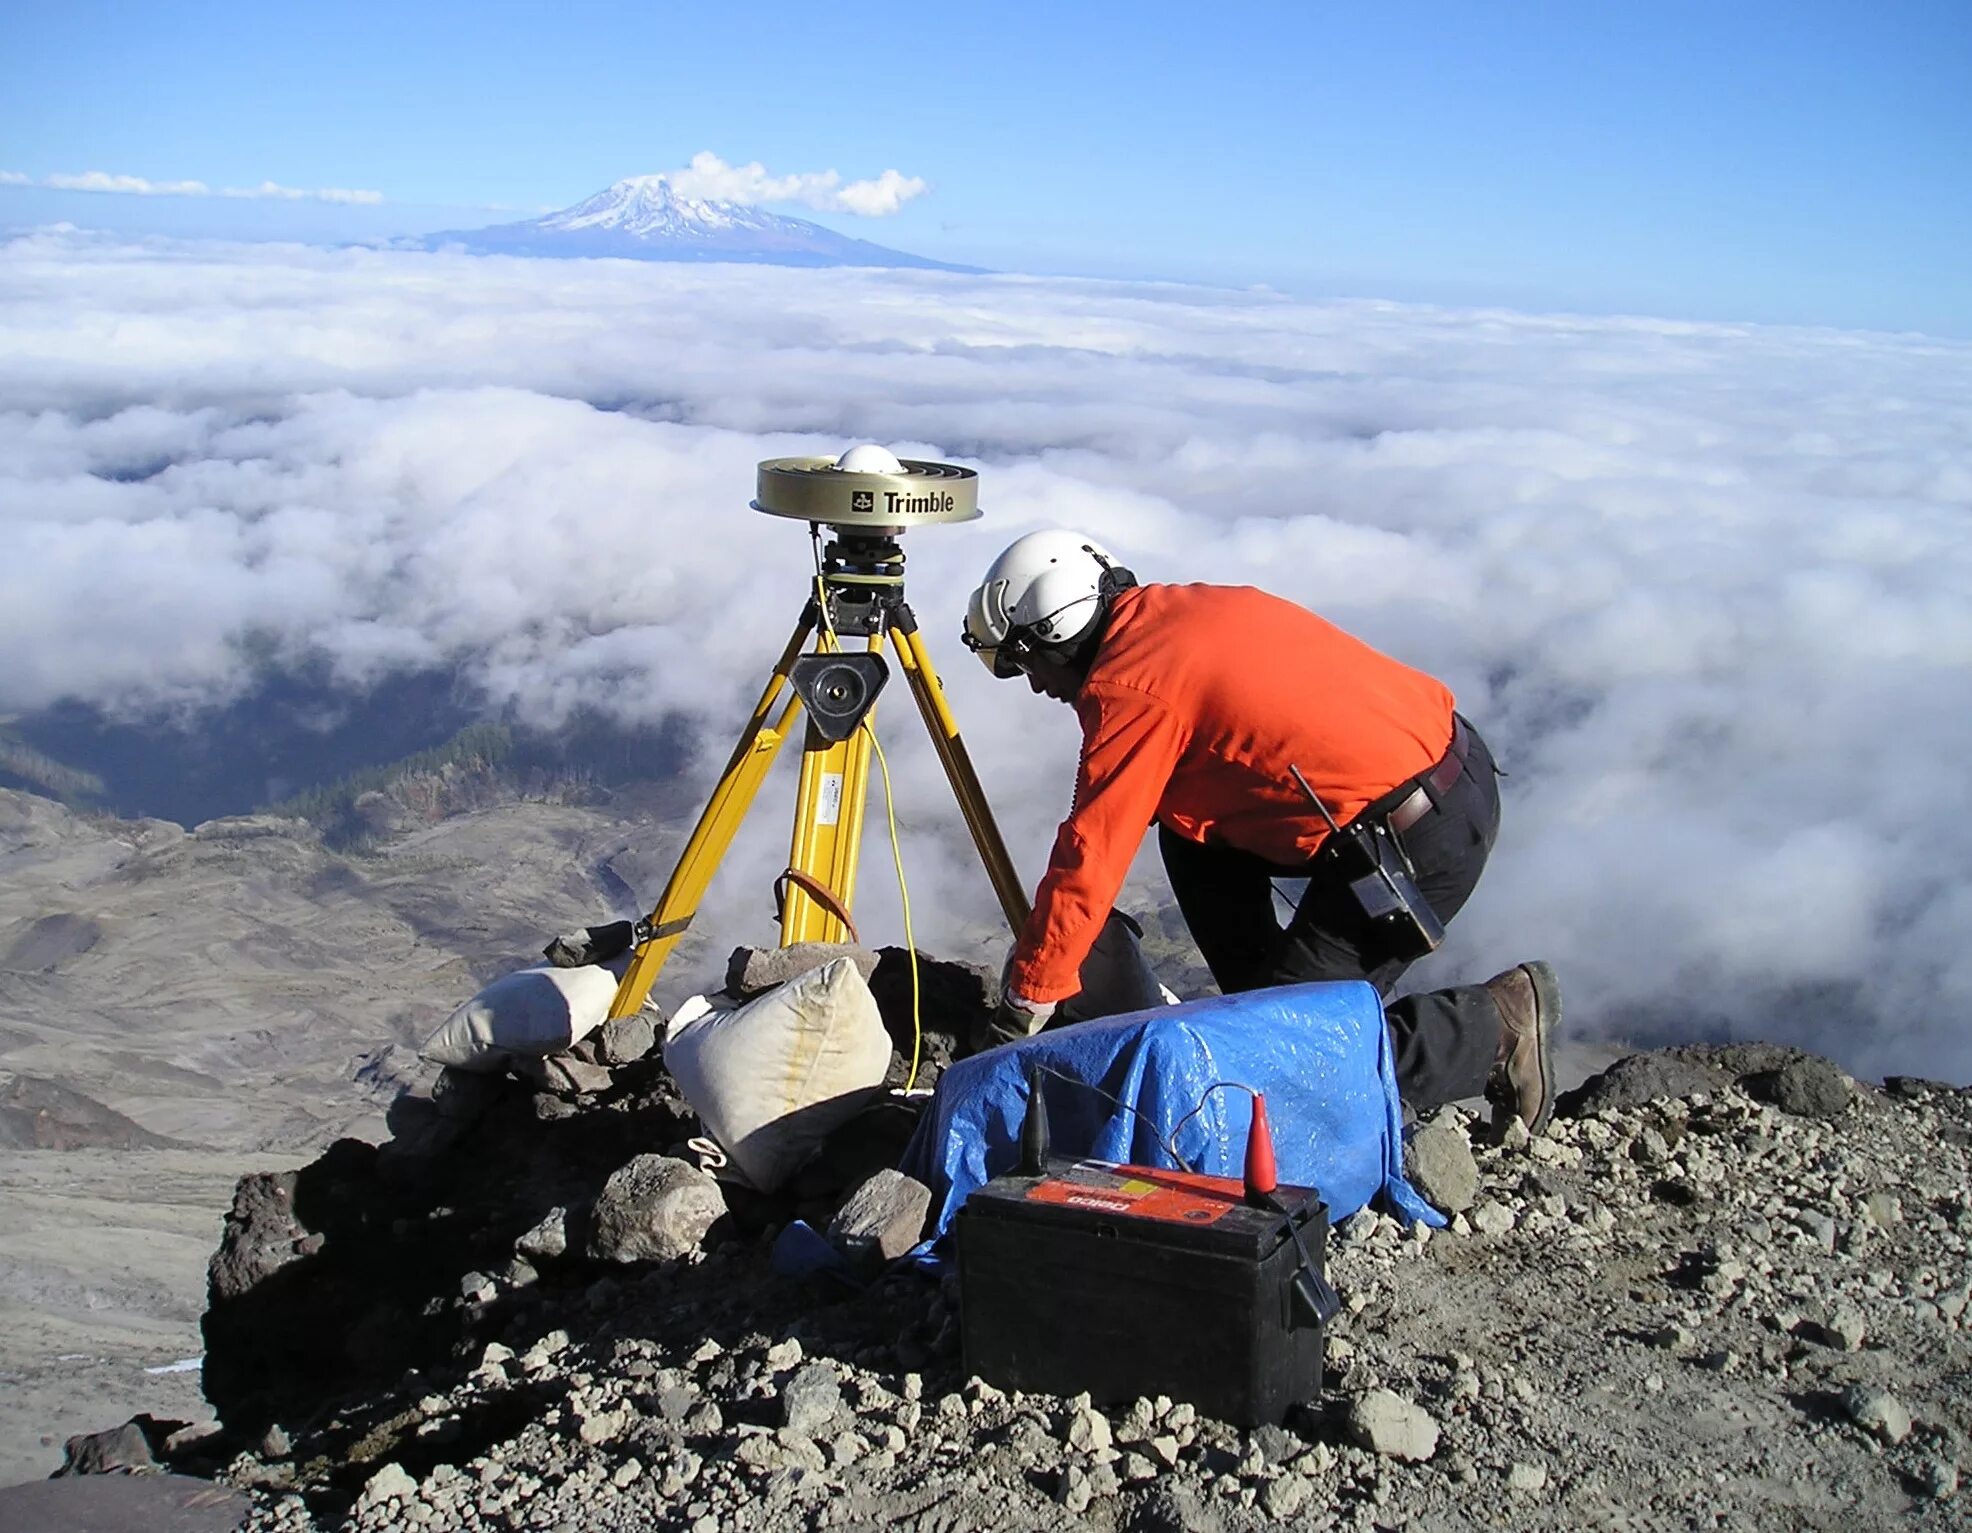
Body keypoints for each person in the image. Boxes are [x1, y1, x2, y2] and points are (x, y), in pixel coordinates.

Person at [961, 529, 1560, 1132]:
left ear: (1056, 631)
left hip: (1412, 841)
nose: (1034, 683)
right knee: (1187, 836)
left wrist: (1021, 1007)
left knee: (1271, 1065)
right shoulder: (1178, 614)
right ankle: (1267, 1009)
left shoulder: (1132, 686)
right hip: (1445, 778)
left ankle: (1492, 1029)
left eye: (1022, 661)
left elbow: (1089, 855)